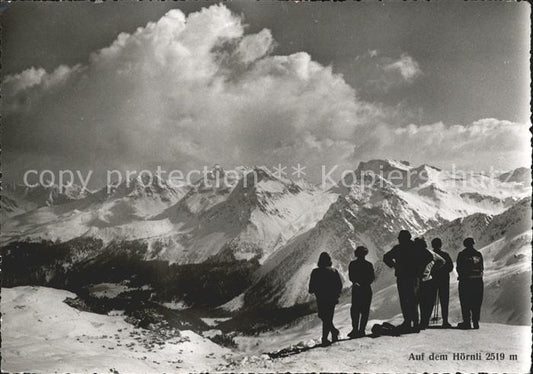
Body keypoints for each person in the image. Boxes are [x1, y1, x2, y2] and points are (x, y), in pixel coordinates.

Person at [383, 230, 421, 332]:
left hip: (402, 277)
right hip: (414, 277)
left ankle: (407, 322)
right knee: (413, 300)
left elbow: (386, 257)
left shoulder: (398, 249)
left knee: (404, 300)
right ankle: (416, 323)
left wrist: (394, 265)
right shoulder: (416, 247)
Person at [309, 252, 343, 346]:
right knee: (328, 317)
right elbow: (339, 285)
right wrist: (337, 295)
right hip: (331, 299)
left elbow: (311, 287)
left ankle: (326, 338)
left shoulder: (315, 272)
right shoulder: (334, 271)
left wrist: (314, 290)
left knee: (324, 317)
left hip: (321, 298)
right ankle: (333, 333)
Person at [415, 237, 444, 330]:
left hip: (417, 281)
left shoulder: (415, 253)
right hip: (429, 280)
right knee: (428, 302)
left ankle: (420, 322)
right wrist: (433, 269)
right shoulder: (431, 253)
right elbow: (442, 261)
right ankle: (425, 322)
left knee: (420, 302)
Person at [456, 237, 484, 330]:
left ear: (465, 244)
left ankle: (467, 322)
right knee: (476, 302)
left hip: (465, 282)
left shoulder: (462, 254)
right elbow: (482, 268)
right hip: (478, 282)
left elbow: (458, 268)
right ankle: (475, 322)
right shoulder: (478, 254)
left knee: (465, 302)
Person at [348, 246, 375, 338]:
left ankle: (355, 330)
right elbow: (372, 278)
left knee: (355, 310)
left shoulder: (352, 264)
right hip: (367, 289)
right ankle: (361, 330)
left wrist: (357, 283)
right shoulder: (369, 265)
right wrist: (364, 283)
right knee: (365, 311)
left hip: (357, 290)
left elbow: (351, 277)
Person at [431, 238, 454, 328]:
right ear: (440, 245)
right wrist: (443, 271)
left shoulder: (430, 255)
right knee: (444, 300)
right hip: (444, 280)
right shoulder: (445, 255)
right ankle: (445, 321)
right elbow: (450, 267)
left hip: (432, 280)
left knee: (430, 300)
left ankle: (425, 320)